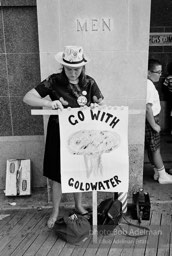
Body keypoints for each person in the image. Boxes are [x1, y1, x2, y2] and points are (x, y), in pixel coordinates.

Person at [23, 46, 104, 228]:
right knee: (56, 174)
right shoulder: (53, 81)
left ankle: (78, 205)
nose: (73, 73)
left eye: (77, 69)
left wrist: (96, 108)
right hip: (58, 134)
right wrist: (48, 103)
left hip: (82, 136)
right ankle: (55, 211)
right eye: (69, 69)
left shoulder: (89, 83)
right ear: (62, 66)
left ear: (83, 67)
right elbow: (28, 97)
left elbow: (102, 104)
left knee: (79, 170)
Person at [145, 58, 172, 184]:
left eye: (161, 72)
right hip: (152, 121)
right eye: (158, 72)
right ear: (148, 72)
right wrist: (154, 125)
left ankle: (157, 171)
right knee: (155, 149)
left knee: (152, 148)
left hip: (152, 120)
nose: (160, 75)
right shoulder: (148, 86)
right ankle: (162, 174)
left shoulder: (148, 84)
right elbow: (148, 107)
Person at [163, 61, 172, 134]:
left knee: (170, 114)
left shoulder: (168, 77)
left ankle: (170, 130)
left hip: (170, 97)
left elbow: (164, 87)